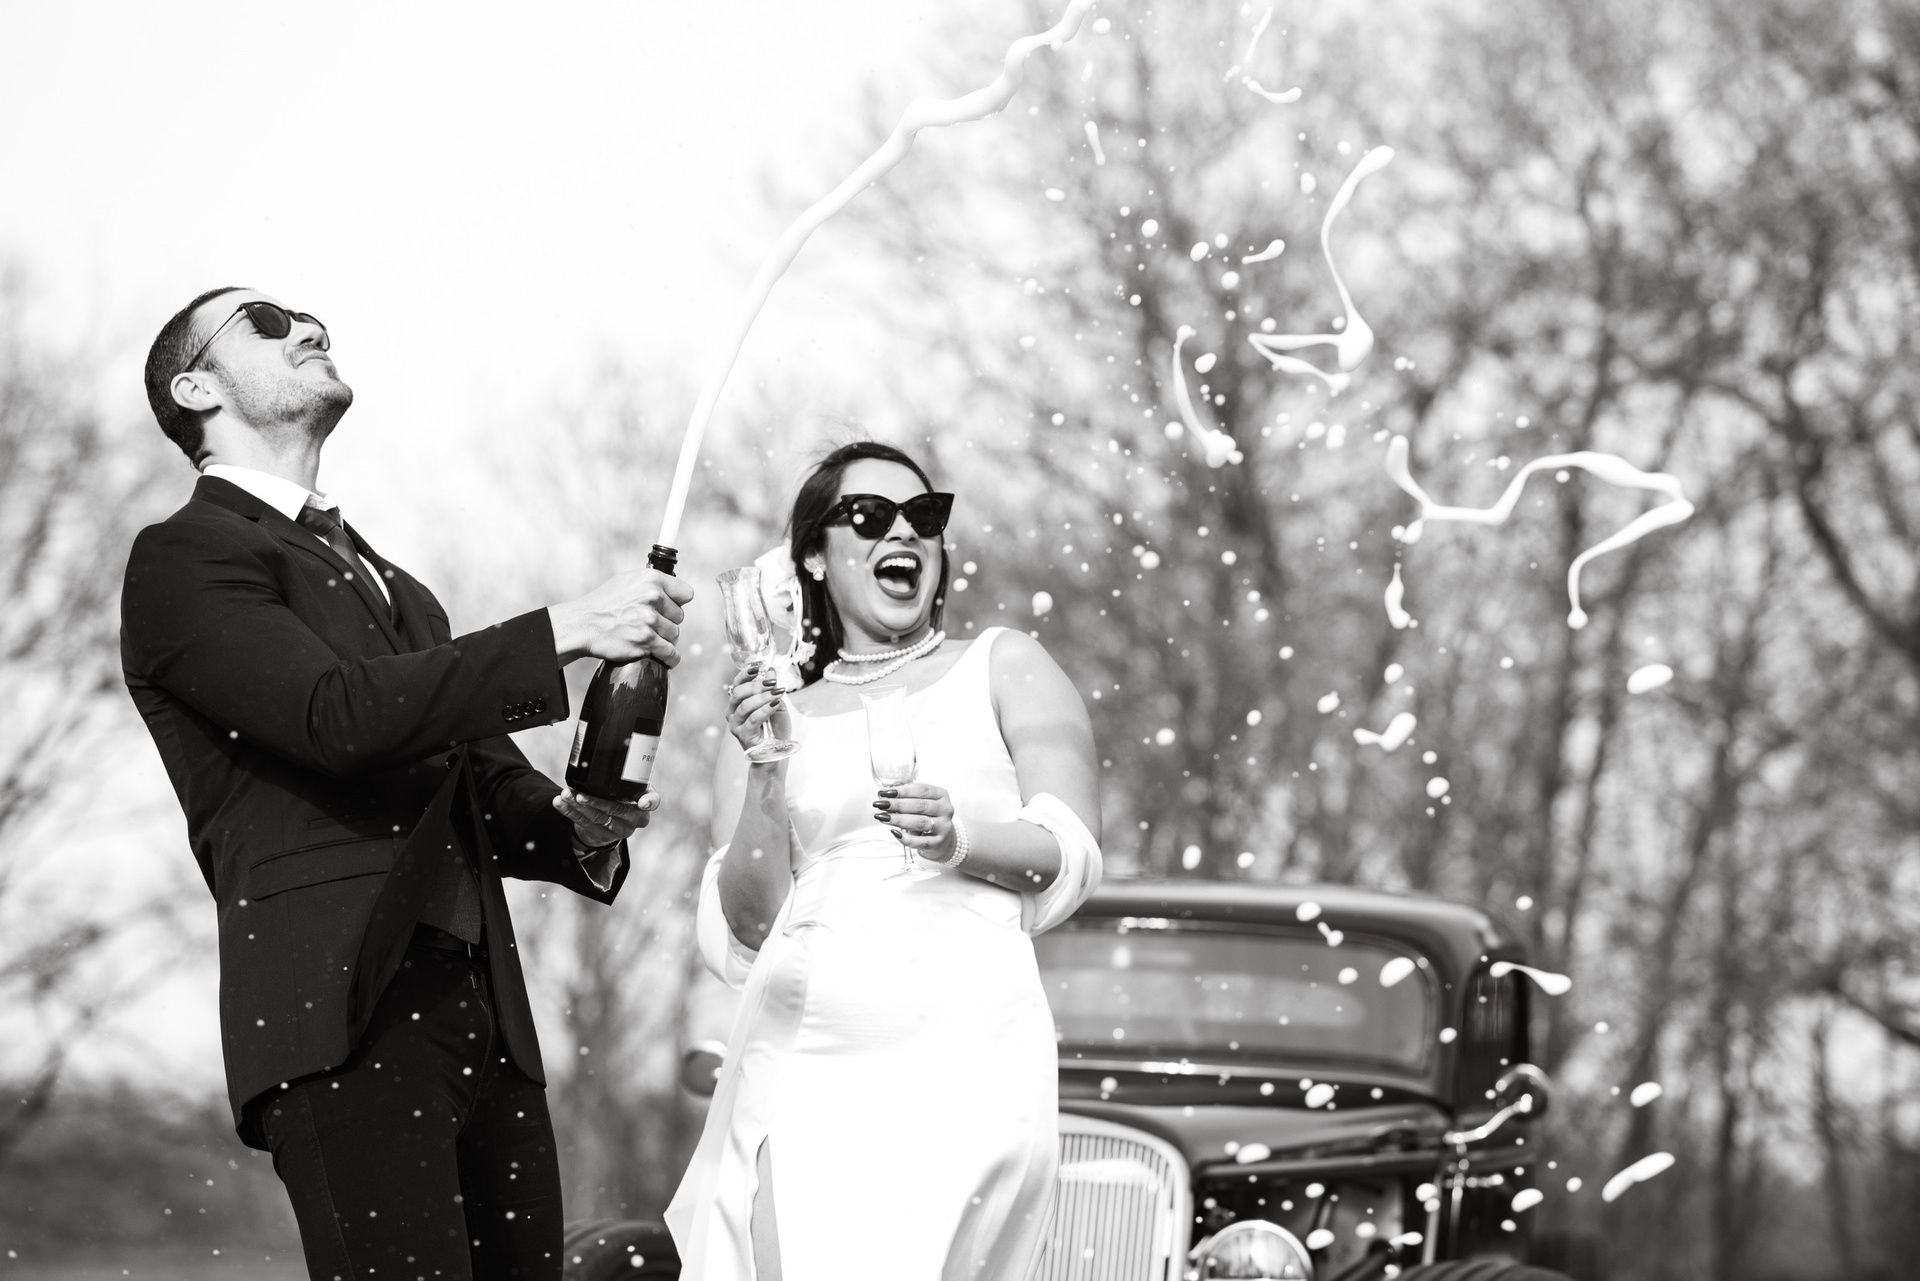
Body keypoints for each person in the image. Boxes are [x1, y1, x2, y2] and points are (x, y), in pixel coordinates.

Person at [120, 287, 694, 1280]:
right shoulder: (183, 557)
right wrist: (565, 629)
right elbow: (333, 717)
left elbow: (490, 794)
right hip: (343, 1020)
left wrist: (582, 824)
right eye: (266, 321)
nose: (309, 328)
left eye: (312, 318)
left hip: (487, 1026)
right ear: (195, 388)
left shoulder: (401, 589)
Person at [665, 441, 1103, 1280]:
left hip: (970, 1056)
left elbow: (1070, 850)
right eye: (868, 516)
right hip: (804, 1057)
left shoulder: (1003, 665)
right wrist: (766, 765)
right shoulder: (772, 712)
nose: (904, 531)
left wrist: (958, 838)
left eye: (924, 515)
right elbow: (749, 924)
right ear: (814, 557)